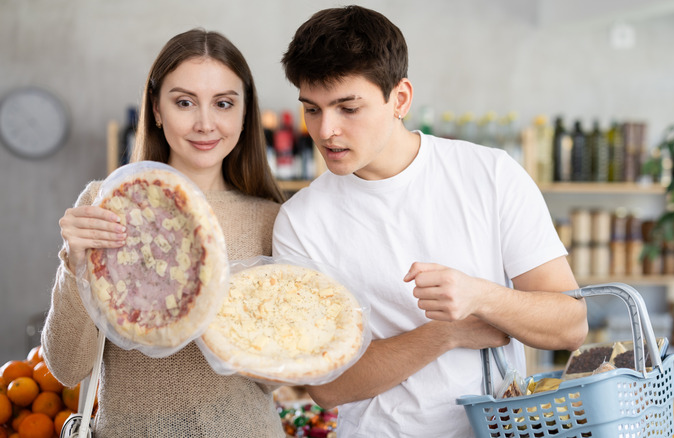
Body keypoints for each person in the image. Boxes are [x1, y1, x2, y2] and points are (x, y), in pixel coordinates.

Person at [272, 5, 589, 437]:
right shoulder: (301, 222)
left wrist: (481, 297)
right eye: (312, 109)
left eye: (348, 108)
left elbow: (571, 324)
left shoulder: (490, 174)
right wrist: (446, 334)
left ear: (399, 99)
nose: (326, 130)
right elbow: (326, 387)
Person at [41, 28, 286, 437]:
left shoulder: (272, 219)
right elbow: (67, 368)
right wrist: (76, 263)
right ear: (156, 109)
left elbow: (270, 380)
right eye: (184, 102)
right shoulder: (107, 202)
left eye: (223, 103)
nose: (205, 123)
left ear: (245, 113)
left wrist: (206, 306)